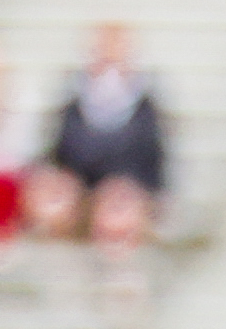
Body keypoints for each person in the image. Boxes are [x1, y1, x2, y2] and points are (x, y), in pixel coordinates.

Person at [36, 24, 170, 247]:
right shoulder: (73, 104)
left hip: (129, 188)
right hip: (82, 188)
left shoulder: (146, 107)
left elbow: (154, 160)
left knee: (118, 205)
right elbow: (58, 154)